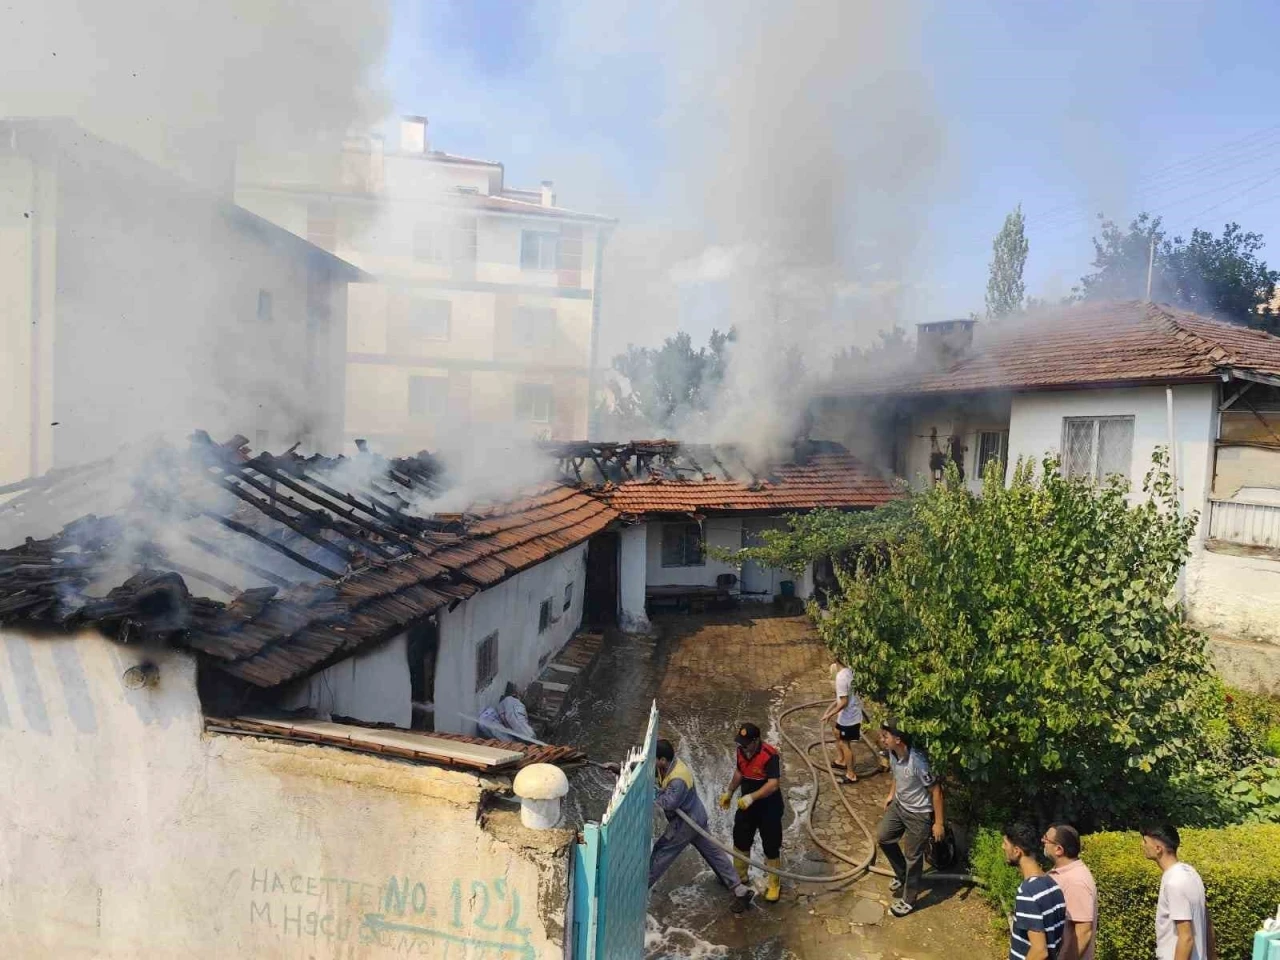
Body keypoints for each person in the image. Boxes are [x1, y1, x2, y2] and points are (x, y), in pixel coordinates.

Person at [649, 739, 755, 913]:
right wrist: (623, 770)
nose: (651, 762)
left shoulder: (678, 779)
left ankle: (639, 890)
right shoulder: (667, 766)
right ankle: (739, 889)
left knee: (662, 852)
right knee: (713, 852)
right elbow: (650, 772)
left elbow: (668, 803)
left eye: (653, 758)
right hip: (696, 816)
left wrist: (652, 792)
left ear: (662, 760)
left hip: (685, 824)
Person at [876, 718, 945, 917]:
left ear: (898, 739)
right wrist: (891, 794)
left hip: (918, 814)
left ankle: (909, 900)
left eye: (885, 736)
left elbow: (936, 791)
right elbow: (897, 775)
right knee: (884, 837)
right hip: (899, 806)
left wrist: (938, 823)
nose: (882, 739)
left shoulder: (918, 762)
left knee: (912, 857)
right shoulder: (893, 753)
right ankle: (903, 874)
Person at [718, 722, 784, 903]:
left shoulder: (769, 755)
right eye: (741, 743)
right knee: (740, 838)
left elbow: (773, 784)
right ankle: (740, 876)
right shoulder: (741, 751)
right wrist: (730, 792)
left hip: (769, 806)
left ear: (756, 741)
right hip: (747, 806)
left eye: (746, 744)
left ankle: (774, 883)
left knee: (771, 844)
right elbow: (739, 772)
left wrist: (752, 797)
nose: (743, 747)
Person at [1141, 824, 1217, 960]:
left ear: (1158, 849)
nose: (1142, 845)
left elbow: (1186, 938)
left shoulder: (1174, 882)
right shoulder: (1191, 873)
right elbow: (1207, 923)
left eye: (1145, 841)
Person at [1004, 821, 1068, 960]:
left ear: (1017, 851)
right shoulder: (1052, 884)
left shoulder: (1027, 892)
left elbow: (1040, 952)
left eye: (1006, 844)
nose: (1003, 847)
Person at [1044, 823, 1097, 960]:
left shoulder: (1076, 881)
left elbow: (1083, 932)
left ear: (1058, 849)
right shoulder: (1061, 873)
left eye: (1046, 839)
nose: (1042, 841)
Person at [819, 659, 864, 783]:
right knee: (836, 732)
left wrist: (829, 714)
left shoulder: (841, 677)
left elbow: (844, 702)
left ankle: (851, 774)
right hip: (850, 714)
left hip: (849, 717)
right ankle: (842, 760)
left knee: (845, 744)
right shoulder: (851, 670)